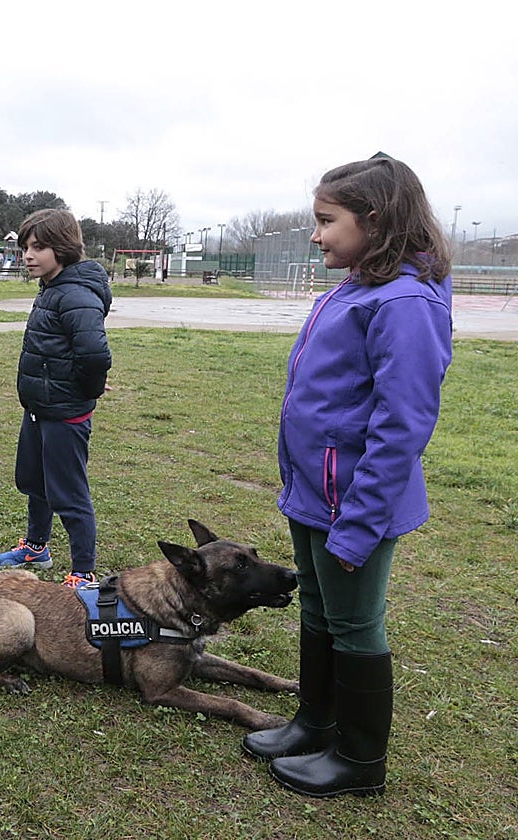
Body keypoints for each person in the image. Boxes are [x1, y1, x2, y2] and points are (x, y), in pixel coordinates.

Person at [244, 156, 453, 799]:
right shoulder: (354, 288)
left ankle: (361, 761)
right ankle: (315, 719)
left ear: (376, 219)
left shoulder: (406, 303)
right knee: (317, 605)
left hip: (355, 503)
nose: (316, 235)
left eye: (326, 221)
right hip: (313, 492)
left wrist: (359, 524)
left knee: (356, 623)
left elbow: (403, 425)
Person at [0, 208, 112, 586]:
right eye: (25, 246)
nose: (27, 255)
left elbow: (93, 354)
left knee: (69, 493)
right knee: (36, 481)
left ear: (63, 247)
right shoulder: (53, 288)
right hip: (40, 408)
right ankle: (37, 546)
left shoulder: (75, 292)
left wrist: (86, 390)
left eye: (38, 247)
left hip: (65, 413)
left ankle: (82, 572)